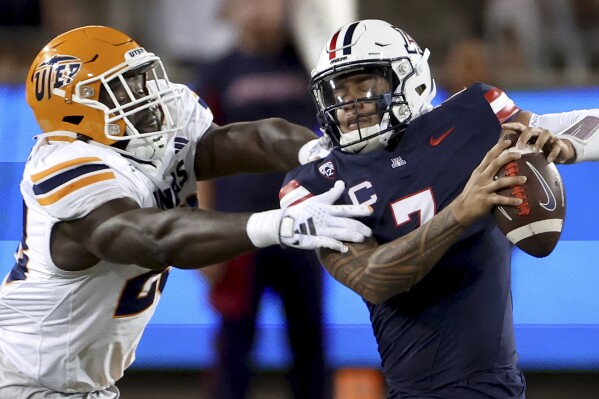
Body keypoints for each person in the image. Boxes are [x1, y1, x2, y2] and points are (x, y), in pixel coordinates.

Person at [0, 25, 373, 399]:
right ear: (77, 109)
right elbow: (152, 237)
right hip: (19, 380)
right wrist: (278, 224)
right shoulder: (66, 163)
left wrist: (320, 156)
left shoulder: (154, 130)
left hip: (82, 384)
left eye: (142, 79)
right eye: (123, 88)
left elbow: (239, 140)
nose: (148, 95)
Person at [280, 19, 598, 398]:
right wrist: (461, 211)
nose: (349, 106)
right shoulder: (322, 181)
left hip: (493, 386)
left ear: (408, 79)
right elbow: (371, 278)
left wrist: (561, 145)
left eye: (364, 87)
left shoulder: (474, 118)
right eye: (338, 92)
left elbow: (578, 126)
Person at [192, 1, 328, 398]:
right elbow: (198, 161)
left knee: (309, 345)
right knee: (233, 350)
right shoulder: (219, 72)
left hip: (307, 232)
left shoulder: (310, 65)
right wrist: (205, 238)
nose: (258, 9)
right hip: (239, 236)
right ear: (229, 10)